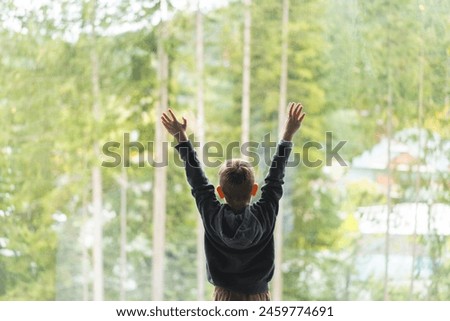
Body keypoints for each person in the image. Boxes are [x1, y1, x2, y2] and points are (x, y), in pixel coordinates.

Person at [161, 102, 306, 301]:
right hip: (259, 297)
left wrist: (181, 136)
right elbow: (275, 177)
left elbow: (197, 181)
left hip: (224, 297)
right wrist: (288, 134)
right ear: (254, 190)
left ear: (220, 192)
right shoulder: (265, 213)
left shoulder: (212, 214)